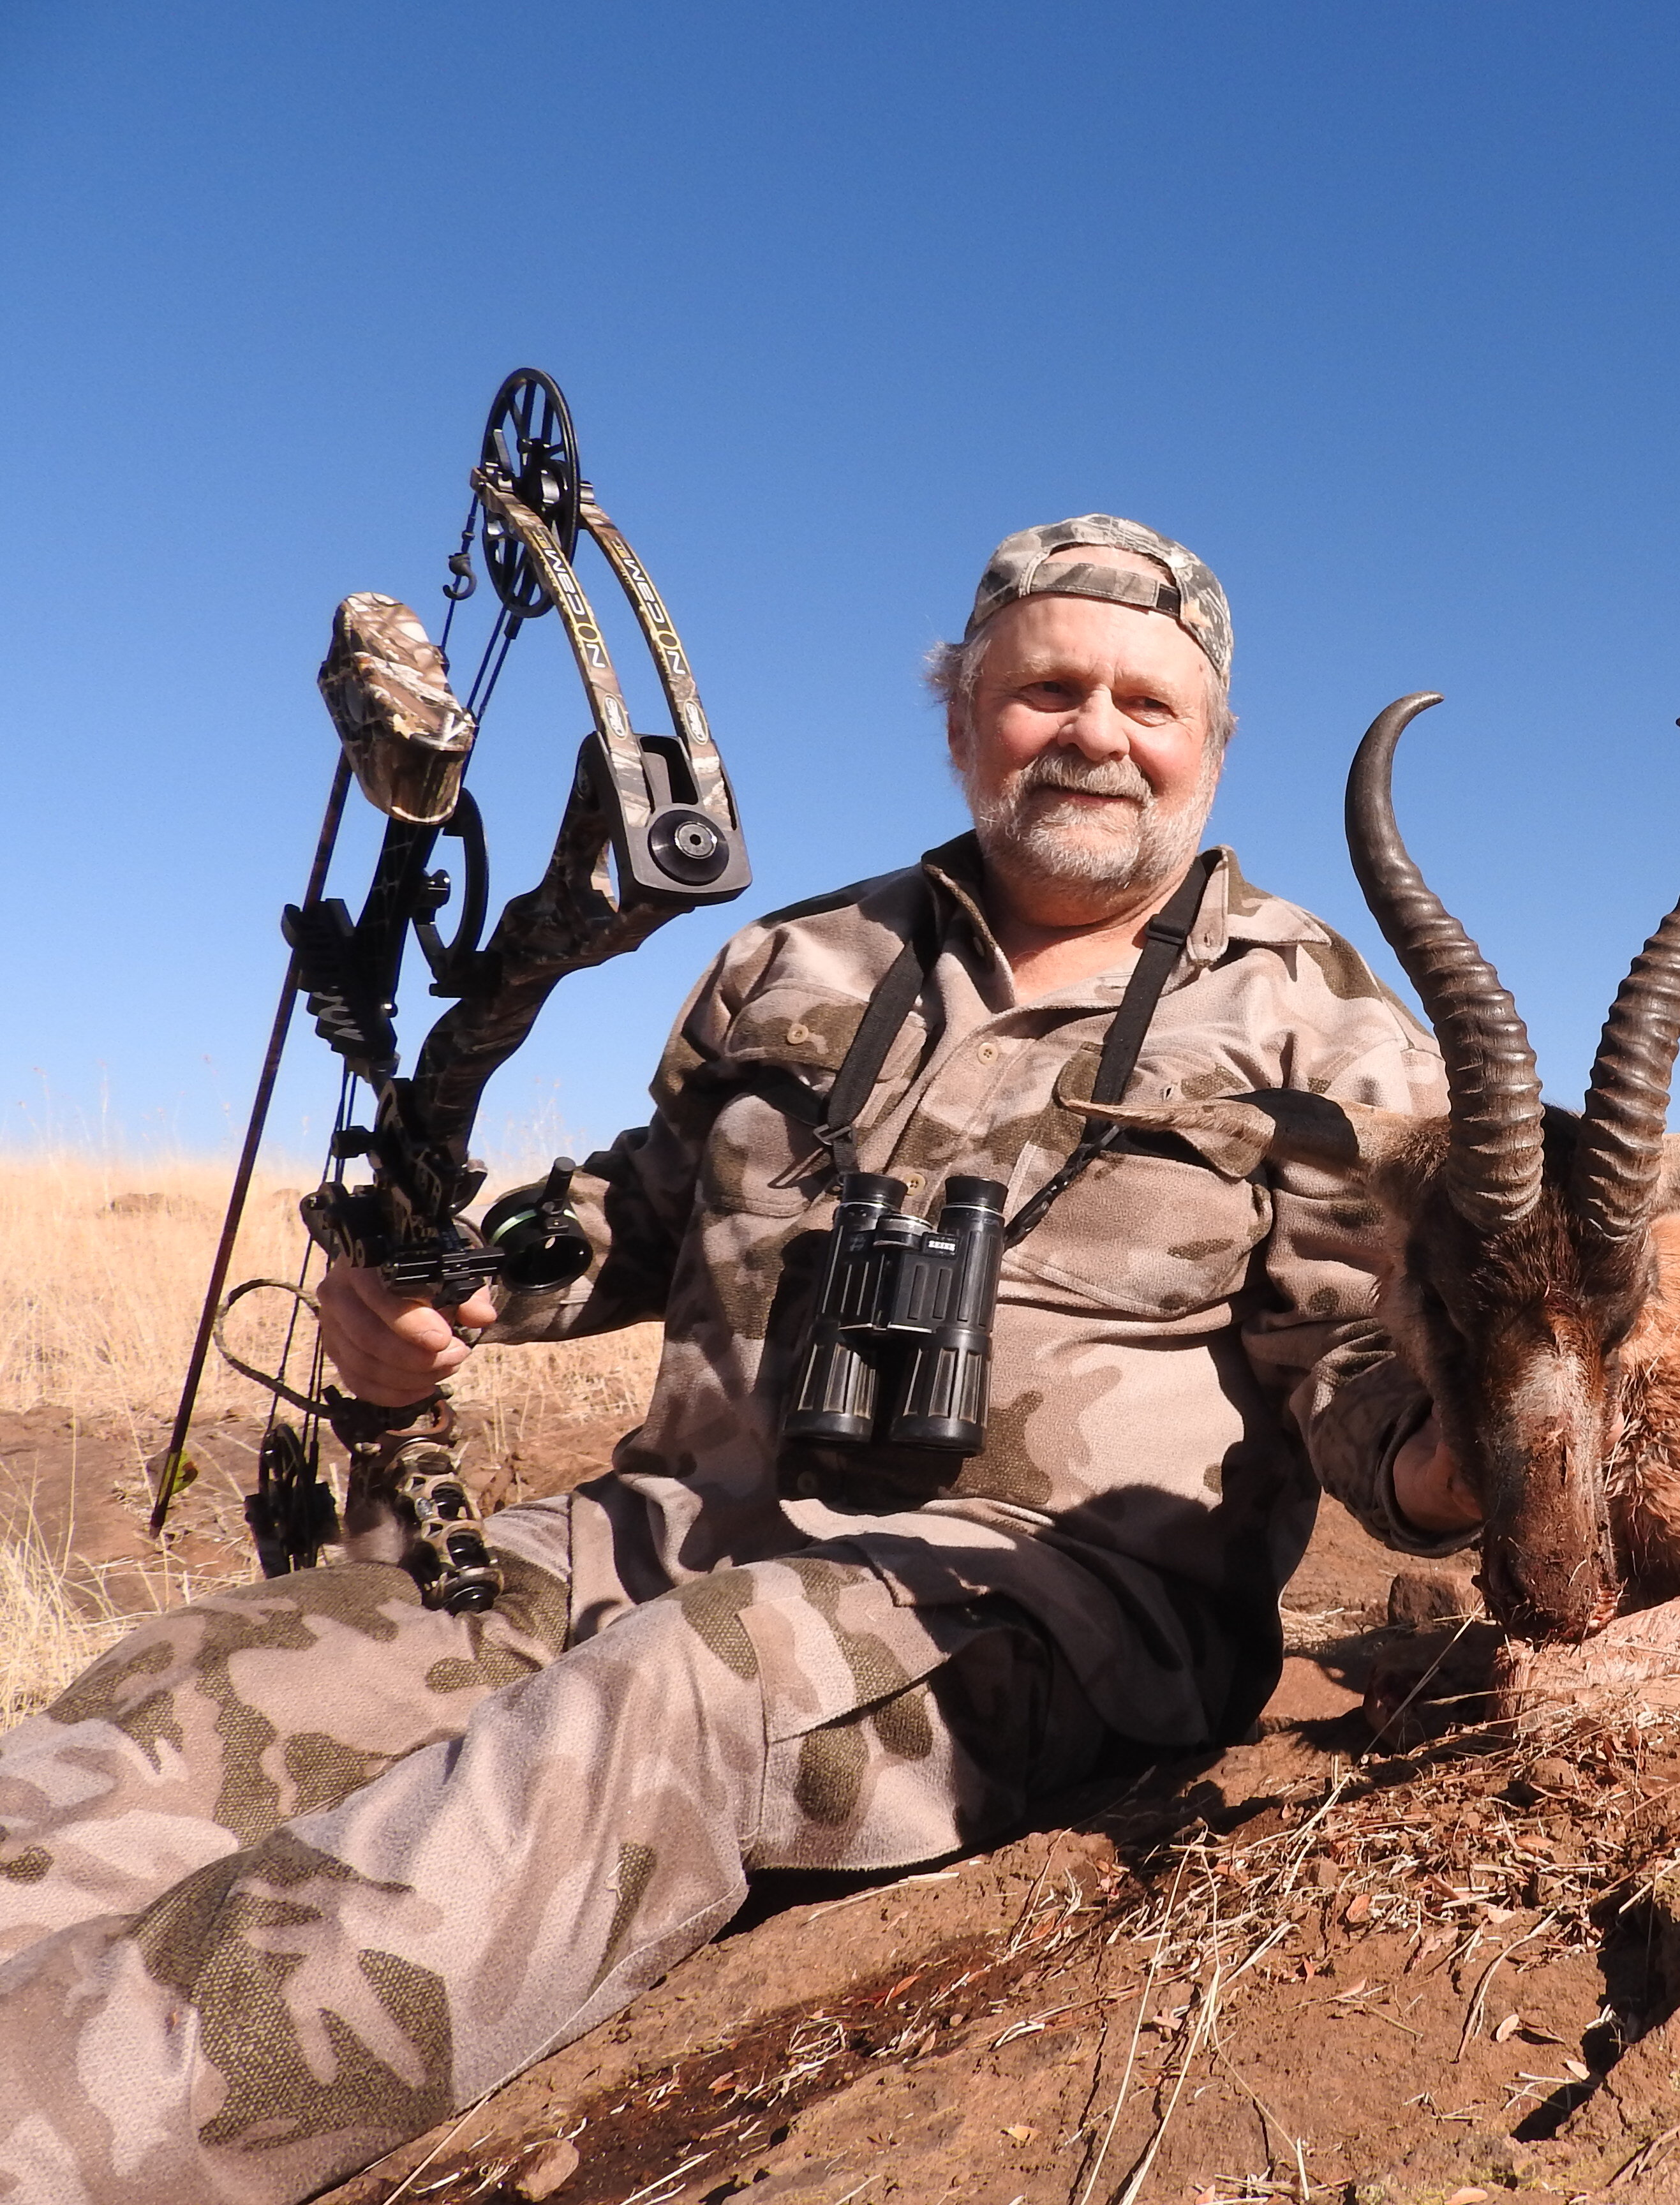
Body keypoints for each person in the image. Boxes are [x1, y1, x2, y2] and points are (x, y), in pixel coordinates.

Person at [0, 516, 1466, 2203]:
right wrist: (452, 1275)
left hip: (1054, 1599)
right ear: (960, 709)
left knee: (668, 1700)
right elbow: (637, 1213)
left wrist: (1434, 1463)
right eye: (1046, 686)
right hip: (659, 1525)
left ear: (1212, 746)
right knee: (225, 1667)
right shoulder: (800, 957)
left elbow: (1351, 1343)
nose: (1096, 731)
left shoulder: (1331, 1024)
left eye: (1150, 702)